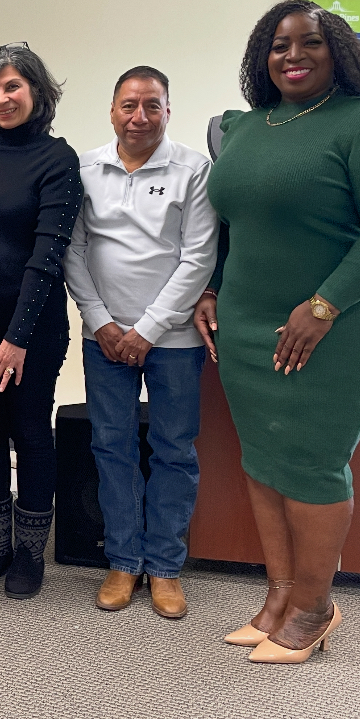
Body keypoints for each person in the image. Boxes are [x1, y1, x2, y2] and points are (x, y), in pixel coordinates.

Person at [194, 0, 360, 663]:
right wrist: (212, 287)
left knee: (311, 464)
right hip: (247, 321)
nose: (293, 54)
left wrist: (323, 305)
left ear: (342, 52)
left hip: (342, 323)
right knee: (265, 460)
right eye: (278, 44)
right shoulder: (248, 127)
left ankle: (313, 607)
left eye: (311, 42)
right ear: (260, 57)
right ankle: (277, 596)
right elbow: (233, 223)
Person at [65, 66, 217, 618]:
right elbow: (73, 251)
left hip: (172, 338)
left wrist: (148, 329)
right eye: (129, 105)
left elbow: (199, 256)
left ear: (168, 112)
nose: (140, 116)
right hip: (103, 337)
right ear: (111, 111)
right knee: (112, 447)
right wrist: (103, 322)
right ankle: (124, 561)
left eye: (152, 106)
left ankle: (166, 568)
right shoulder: (86, 169)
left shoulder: (193, 170)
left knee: (174, 450)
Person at [0, 43, 82, 600]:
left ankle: (30, 553)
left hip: (33, 329)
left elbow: (47, 254)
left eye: (13, 87)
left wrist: (16, 338)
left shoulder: (58, 159)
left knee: (30, 434)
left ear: (36, 90)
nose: (2, 98)